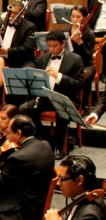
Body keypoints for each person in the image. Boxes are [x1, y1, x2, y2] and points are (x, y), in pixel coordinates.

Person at [19, 29, 84, 159]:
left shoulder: (75, 59)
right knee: (24, 108)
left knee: (62, 113)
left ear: (63, 44)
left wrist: (59, 76)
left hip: (65, 99)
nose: (52, 49)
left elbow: (79, 84)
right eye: (49, 46)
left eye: (55, 46)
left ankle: (60, 148)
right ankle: (46, 139)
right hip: (46, 98)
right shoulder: (43, 59)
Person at [0, 1, 37, 74]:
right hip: (1, 59)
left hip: (20, 61)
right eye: (10, 12)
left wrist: (8, 51)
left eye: (14, 13)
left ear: (22, 13)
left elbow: (27, 48)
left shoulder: (29, 27)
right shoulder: (1, 24)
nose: (11, 15)